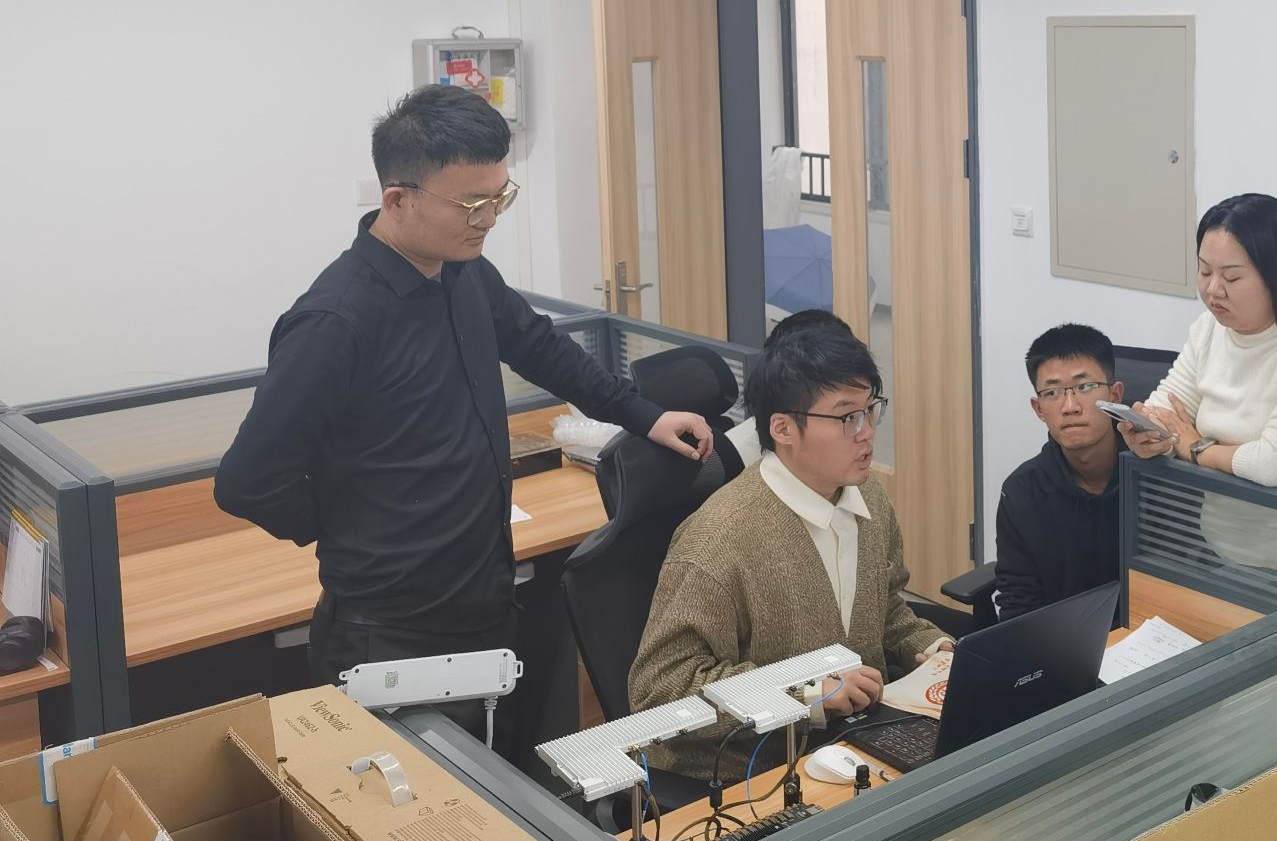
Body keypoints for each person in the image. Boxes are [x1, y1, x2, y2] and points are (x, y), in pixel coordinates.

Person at [215, 85, 713, 730]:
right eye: (473, 204)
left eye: (501, 197)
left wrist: (643, 414)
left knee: (500, 782)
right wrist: (349, 524)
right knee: (424, 796)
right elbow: (247, 481)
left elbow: (539, 347)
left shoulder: (463, 271)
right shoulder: (335, 322)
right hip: (389, 632)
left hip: (485, 600)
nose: (490, 219)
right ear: (399, 200)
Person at [629, 314, 951, 780]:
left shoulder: (869, 499)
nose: (866, 432)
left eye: (871, 410)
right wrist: (806, 693)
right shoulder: (719, 541)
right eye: (847, 417)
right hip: (749, 773)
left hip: (856, 743)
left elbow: (886, 611)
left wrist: (935, 649)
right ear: (781, 428)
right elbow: (659, 690)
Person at [1123, 193, 1277, 569]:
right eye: (1205, 272)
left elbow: (1276, 464)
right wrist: (1146, 434)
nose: (1213, 289)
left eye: (1232, 277)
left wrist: (1194, 447)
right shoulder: (1209, 329)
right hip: (1220, 553)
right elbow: (1164, 413)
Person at [992, 324, 1128, 619]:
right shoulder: (1022, 492)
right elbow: (1018, 603)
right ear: (1038, 409)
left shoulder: (1153, 481)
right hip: (1063, 643)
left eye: (1084, 387)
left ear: (1115, 395)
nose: (1070, 406)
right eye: (1052, 392)